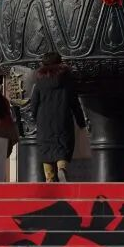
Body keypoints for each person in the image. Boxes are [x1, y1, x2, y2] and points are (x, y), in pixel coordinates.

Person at [29, 52, 85, 182]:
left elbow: (34, 103)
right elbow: (74, 103)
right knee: (63, 145)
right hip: (63, 118)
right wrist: (81, 121)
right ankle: (62, 168)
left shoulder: (40, 82)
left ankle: (49, 178)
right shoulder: (67, 81)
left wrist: (34, 118)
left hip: (44, 121)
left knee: (46, 148)